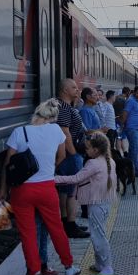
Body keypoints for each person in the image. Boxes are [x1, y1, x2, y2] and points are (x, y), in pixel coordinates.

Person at [0, 99, 81, 275]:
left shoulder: (20, 132)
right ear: (53, 117)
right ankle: (69, 267)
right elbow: (61, 156)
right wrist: (48, 170)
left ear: (36, 113)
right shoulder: (56, 131)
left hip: (22, 191)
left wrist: (3, 191)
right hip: (46, 188)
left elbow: (7, 165)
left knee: (28, 234)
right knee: (56, 228)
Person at [55, 132, 117, 275]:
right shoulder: (109, 161)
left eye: (88, 148)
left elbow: (75, 179)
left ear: (96, 150)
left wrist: (53, 179)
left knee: (98, 236)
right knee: (98, 233)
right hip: (103, 202)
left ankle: (107, 268)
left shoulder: (92, 164)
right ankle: (100, 264)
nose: (86, 151)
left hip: (96, 204)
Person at [55, 79, 89, 239]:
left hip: (68, 154)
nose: (78, 90)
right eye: (74, 87)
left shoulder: (66, 107)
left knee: (64, 190)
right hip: (70, 155)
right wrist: (74, 153)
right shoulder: (63, 107)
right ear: (64, 90)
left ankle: (66, 222)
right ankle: (70, 224)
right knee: (71, 192)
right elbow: (64, 132)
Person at [120, 86, 138, 177]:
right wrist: (122, 125)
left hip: (135, 128)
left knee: (132, 150)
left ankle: (128, 169)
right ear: (134, 92)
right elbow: (125, 113)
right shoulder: (131, 101)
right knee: (135, 149)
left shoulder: (135, 101)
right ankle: (135, 170)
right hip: (132, 128)